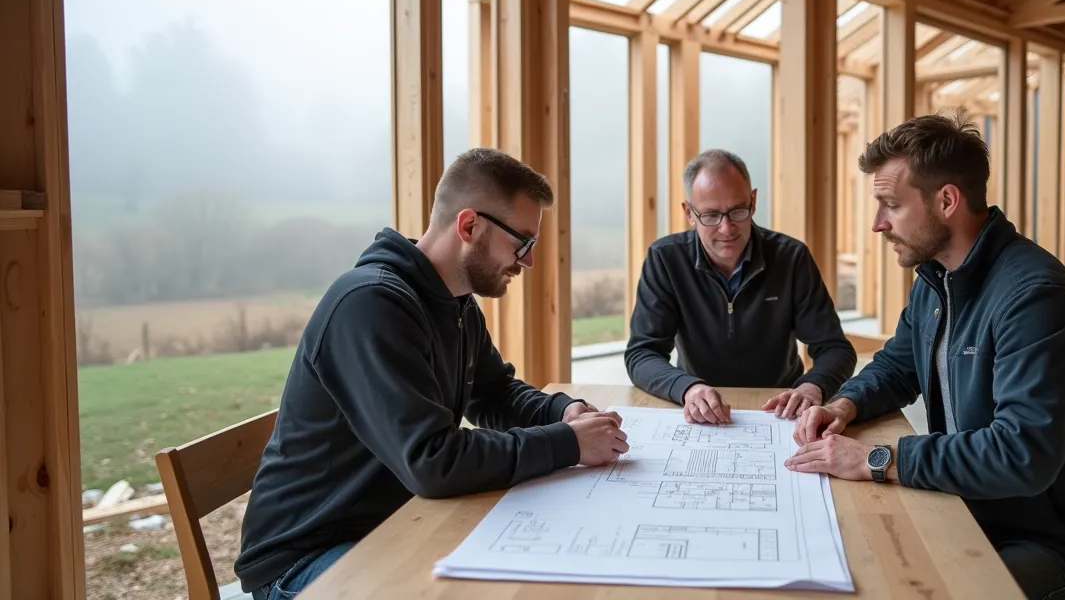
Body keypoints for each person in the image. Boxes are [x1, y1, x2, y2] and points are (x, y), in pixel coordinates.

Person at [234, 148, 630, 599]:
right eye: (522, 242)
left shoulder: (455, 303)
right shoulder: (370, 305)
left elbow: (494, 393)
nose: (528, 261)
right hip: (306, 558)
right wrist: (568, 443)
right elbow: (432, 461)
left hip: (394, 524)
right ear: (469, 226)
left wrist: (562, 412)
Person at [783, 113, 1065, 599]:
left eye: (892, 205)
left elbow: (1021, 455)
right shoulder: (938, 277)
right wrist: (845, 404)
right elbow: (897, 365)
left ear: (946, 200)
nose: (878, 224)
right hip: (978, 509)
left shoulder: (1034, 297)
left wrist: (878, 458)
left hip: (1057, 547)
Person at [625, 149, 857, 424]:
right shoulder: (665, 259)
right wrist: (687, 388)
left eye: (737, 211)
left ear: (753, 201)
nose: (726, 228)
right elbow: (642, 353)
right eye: (711, 215)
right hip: (696, 409)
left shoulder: (792, 257)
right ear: (689, 213)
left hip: (780, 409)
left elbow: (835, 348)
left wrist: (812, 386)